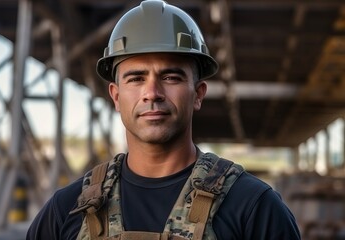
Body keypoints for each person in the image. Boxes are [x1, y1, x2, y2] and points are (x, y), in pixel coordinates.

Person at [27, 1, 301, 239]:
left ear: (198, 94)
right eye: (136, 78)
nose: (152, 93)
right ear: (115, 96)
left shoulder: (253, 208)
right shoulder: (67, 211)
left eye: (171, 77)